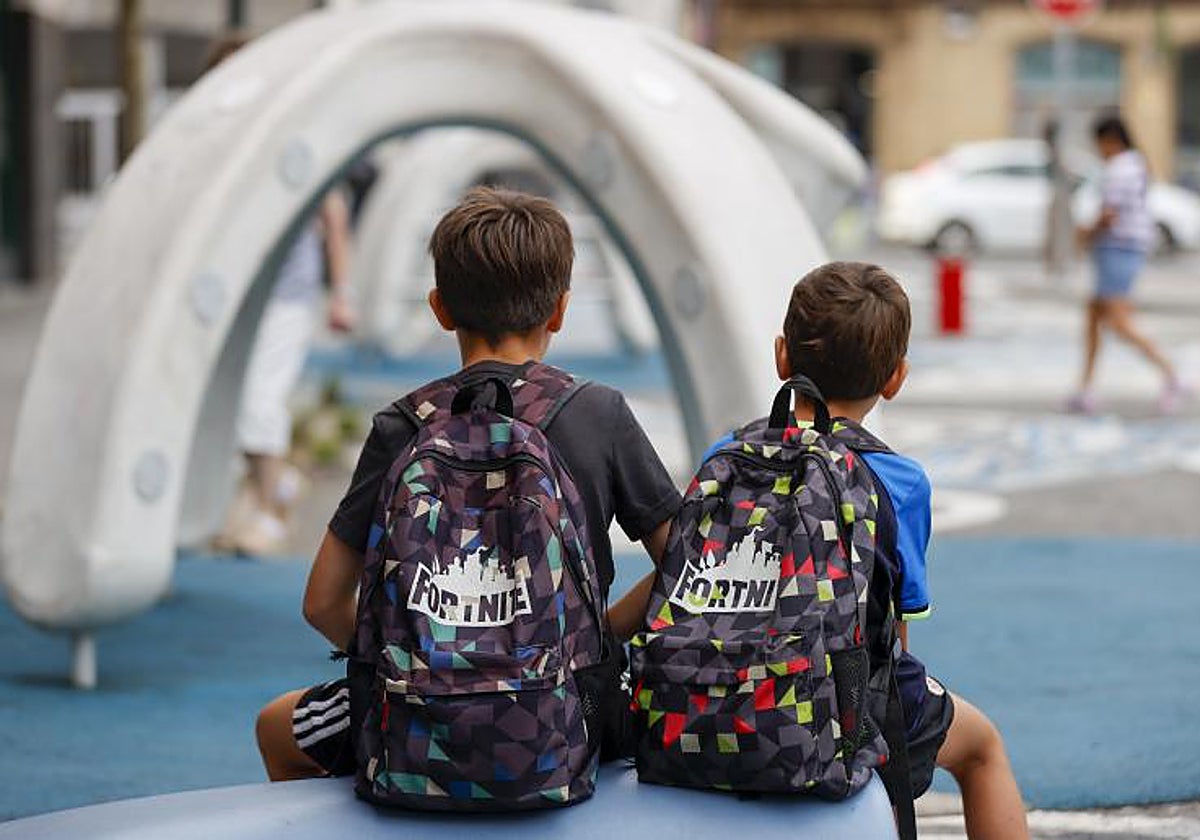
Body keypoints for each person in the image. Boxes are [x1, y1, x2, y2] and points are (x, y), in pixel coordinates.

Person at [254, 187, 680, 780]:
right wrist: (597, 638)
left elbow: (321, 600)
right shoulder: (598, 413)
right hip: (572, 716)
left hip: (415, 718)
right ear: (559, 310)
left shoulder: (402, 425)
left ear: (439, 308)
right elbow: (684, 564)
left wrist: (408, 664)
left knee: (275, 727)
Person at [615, 263, 1030, 839]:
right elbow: (894, 628)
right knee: (983, 749)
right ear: (896, 378)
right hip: (831, 708)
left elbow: (682, 571)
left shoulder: (727, 453)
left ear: (782, 357)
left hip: (697, 700)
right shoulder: (897, 481)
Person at [203, 34, 357, 555]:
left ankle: (271, 510)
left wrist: (341, 293)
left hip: (287, 293)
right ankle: (274, 489)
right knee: (228, 403)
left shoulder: (294, 133)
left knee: (257, 403)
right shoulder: (220, 139)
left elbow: (332, 215)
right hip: (236, 297)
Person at [1069, 115, 1188, 415]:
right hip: (1122, 249)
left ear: (1110, 140)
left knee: (1119, 322)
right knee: (1094, 315)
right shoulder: (1136, 164)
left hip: (1118, 249)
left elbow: (1109, 214)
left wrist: (1085, 233)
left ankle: (1172, 375)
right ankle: (1085, 388)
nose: (1099, 151)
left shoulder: (1121, 168)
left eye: (1099, 144)